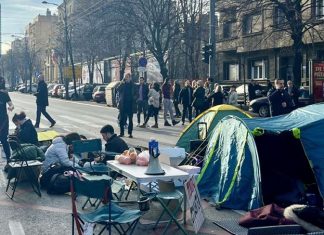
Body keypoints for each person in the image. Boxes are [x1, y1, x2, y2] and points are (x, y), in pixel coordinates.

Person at [117, 73, 137, 138]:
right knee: (121, 120)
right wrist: (122, 83)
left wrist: (134, 97)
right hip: (123, 105)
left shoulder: (133, 85)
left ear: (130, 78)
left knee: (130, 120)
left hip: (130, 105)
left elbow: (137, 93)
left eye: (127, 77)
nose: (126, 78)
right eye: (125, 77)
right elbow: (118, 89)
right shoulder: (122, 84)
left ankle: (130, 133)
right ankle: (121, 132)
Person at [0, 76, 14, 163]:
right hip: (3, 119)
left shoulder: (4, 94)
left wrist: (11, 107)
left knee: (4, 139)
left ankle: (9, 158)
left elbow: (11, 105)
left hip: (3, 120)